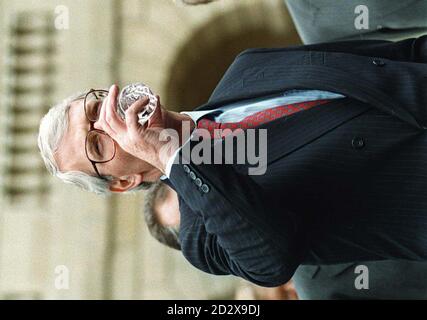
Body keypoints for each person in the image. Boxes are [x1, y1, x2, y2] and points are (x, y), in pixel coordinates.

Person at [39, 35, 427, 287]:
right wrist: (168, 153)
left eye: (95, 108)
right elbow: (271, 258)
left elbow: (398, 55)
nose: (110, 119)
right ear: (122, 182)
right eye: (97, 142)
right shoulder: (200, 236)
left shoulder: (246, 68)